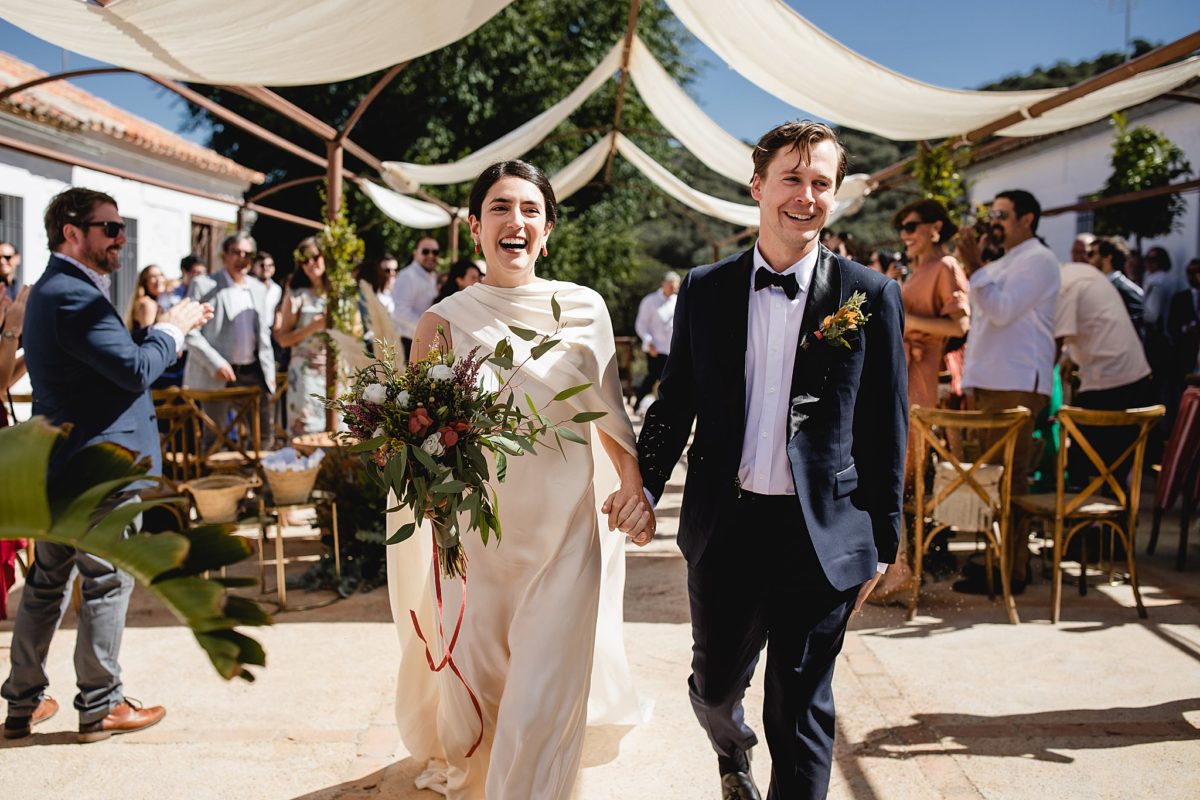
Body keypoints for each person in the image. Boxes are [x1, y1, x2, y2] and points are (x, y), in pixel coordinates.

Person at [637, 121, 906, 800]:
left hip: (822, 534)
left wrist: (884, 541)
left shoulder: (870, 295)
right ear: (758, 186)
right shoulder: (704, 288)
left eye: (821, 183)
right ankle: (732, 753)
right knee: (715, 686)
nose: (806, 196)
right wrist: (643, 484)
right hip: (725, 526)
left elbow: (886, 426)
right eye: (792, 178)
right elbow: (675, 401)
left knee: (801, 705)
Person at [391, 160, 652, 800]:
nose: (516, 220)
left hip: (565, 535)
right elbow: (417, 439)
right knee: (485, 693)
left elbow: (610, 412)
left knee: (545, 694)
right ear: (475, 227)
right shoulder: (441, 323)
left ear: (548, 230)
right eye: (501, 208)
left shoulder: (584, 308)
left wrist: (632, 487)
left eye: (531, 209)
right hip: (477, 540)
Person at [2, 187, 210, 742]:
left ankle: (22, 701)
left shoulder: (56, 288)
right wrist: (172, 329)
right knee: (105, 580)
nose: (122, 239)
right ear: (72, 232)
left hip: (62, 460)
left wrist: (156, 333)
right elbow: (135, 370)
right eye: (110, 228)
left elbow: (104, 362)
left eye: (122, 228)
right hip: (98, 466)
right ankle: (101, 704)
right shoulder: (74, 294)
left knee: (47, 581)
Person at [955, 190, 1060, 594]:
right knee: (993, 479)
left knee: (1009, 480)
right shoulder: (1003, 261)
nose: (994, 221)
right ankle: (996, 560)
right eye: (992, 214)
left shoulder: (1039, 260)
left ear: (1027, 219)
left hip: (1015, 382)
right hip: (992, 382)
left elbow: (1001, 310)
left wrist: (974, 266)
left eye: (1002, 214)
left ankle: (1011, 569)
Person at [872, 198, 969, 601]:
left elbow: (960, 325)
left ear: (935, 227)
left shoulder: (945, 266)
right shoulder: (921, 269)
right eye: (902, 229)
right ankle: (899, 567)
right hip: (903, 378)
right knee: (894, 476)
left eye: (911, 226)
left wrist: (904, 318)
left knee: (897, 476)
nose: (905, 235)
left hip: (918, 382)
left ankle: (902, 571)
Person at [1055, 257, 1153, 486]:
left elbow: (1055, 342)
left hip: (1110, 381)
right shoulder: (1079, 272)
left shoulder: (1063, 287)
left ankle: (1087, 503)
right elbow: (1095, 324)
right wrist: (1070, 357)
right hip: (1132, 376)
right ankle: (1115, 500)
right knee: (1114, 462)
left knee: (1086, 462)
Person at [183, 232, 276, 445]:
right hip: (217, 373)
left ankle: (256, 468)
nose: (242, 258)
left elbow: (263, 334)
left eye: (248, 254)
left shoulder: (258, 288)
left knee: (263, 436)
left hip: (252, 371)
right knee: (214, 439)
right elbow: (189, 328)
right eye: (237, 252)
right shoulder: (204, 285)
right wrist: (215, 363)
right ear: (224, 255)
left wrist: (269, 371)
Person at [273, 237, 328, 436]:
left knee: (338, 431)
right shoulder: (296, 295)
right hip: (306, 373)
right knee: (307, 430)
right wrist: (313, 326)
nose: (310, 263)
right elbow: (283, 339)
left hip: (335, 370)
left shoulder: (339, 293)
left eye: (315, 257)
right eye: (305, 260)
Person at [632, 271, 680, 413]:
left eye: (675, 286)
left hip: (672, 349)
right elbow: (641, 324)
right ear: (663, 284)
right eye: (671, 285)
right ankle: (637, 404)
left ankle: (667, 408)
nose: (673, 288)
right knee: (653, 378)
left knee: (670, 380)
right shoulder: (650, 301)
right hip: (655, 349)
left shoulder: (677, 301)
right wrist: (649, 341)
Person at [390, 236, 441, 358]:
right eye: (425, 251)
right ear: (415, 253)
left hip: (422, 341)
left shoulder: (431, 276)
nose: (431, 255)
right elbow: (400, 312)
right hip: (408, 344)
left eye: (435, 252)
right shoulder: (407, 276)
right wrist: (428, 328)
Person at [1087, 236, 1144, 338]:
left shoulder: (1127, 290)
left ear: (1108, 258)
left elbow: (1135, 328)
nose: (1089, 259)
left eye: (1092, 254)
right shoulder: (1098, 286)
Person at [1166, 259, 1200, 399]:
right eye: (1189, 272)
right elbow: (1171, 325)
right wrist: (1186, 328)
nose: (1193, 276)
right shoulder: (1180, 298)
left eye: (1196, 271)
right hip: (1186, 352)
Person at [125, 264, 166, 333]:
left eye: (161, 275)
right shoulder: (147, 304)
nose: (159, 279)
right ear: (145, 282)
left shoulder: (156, 301)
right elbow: (149, 335)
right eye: (154, 276)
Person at [251, 251, 283, 320]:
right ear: (253, 267)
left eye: (270, 265)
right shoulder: (248, 286)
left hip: (269, 326)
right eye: (262, 265)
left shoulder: (276, 289)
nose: (266, 268)